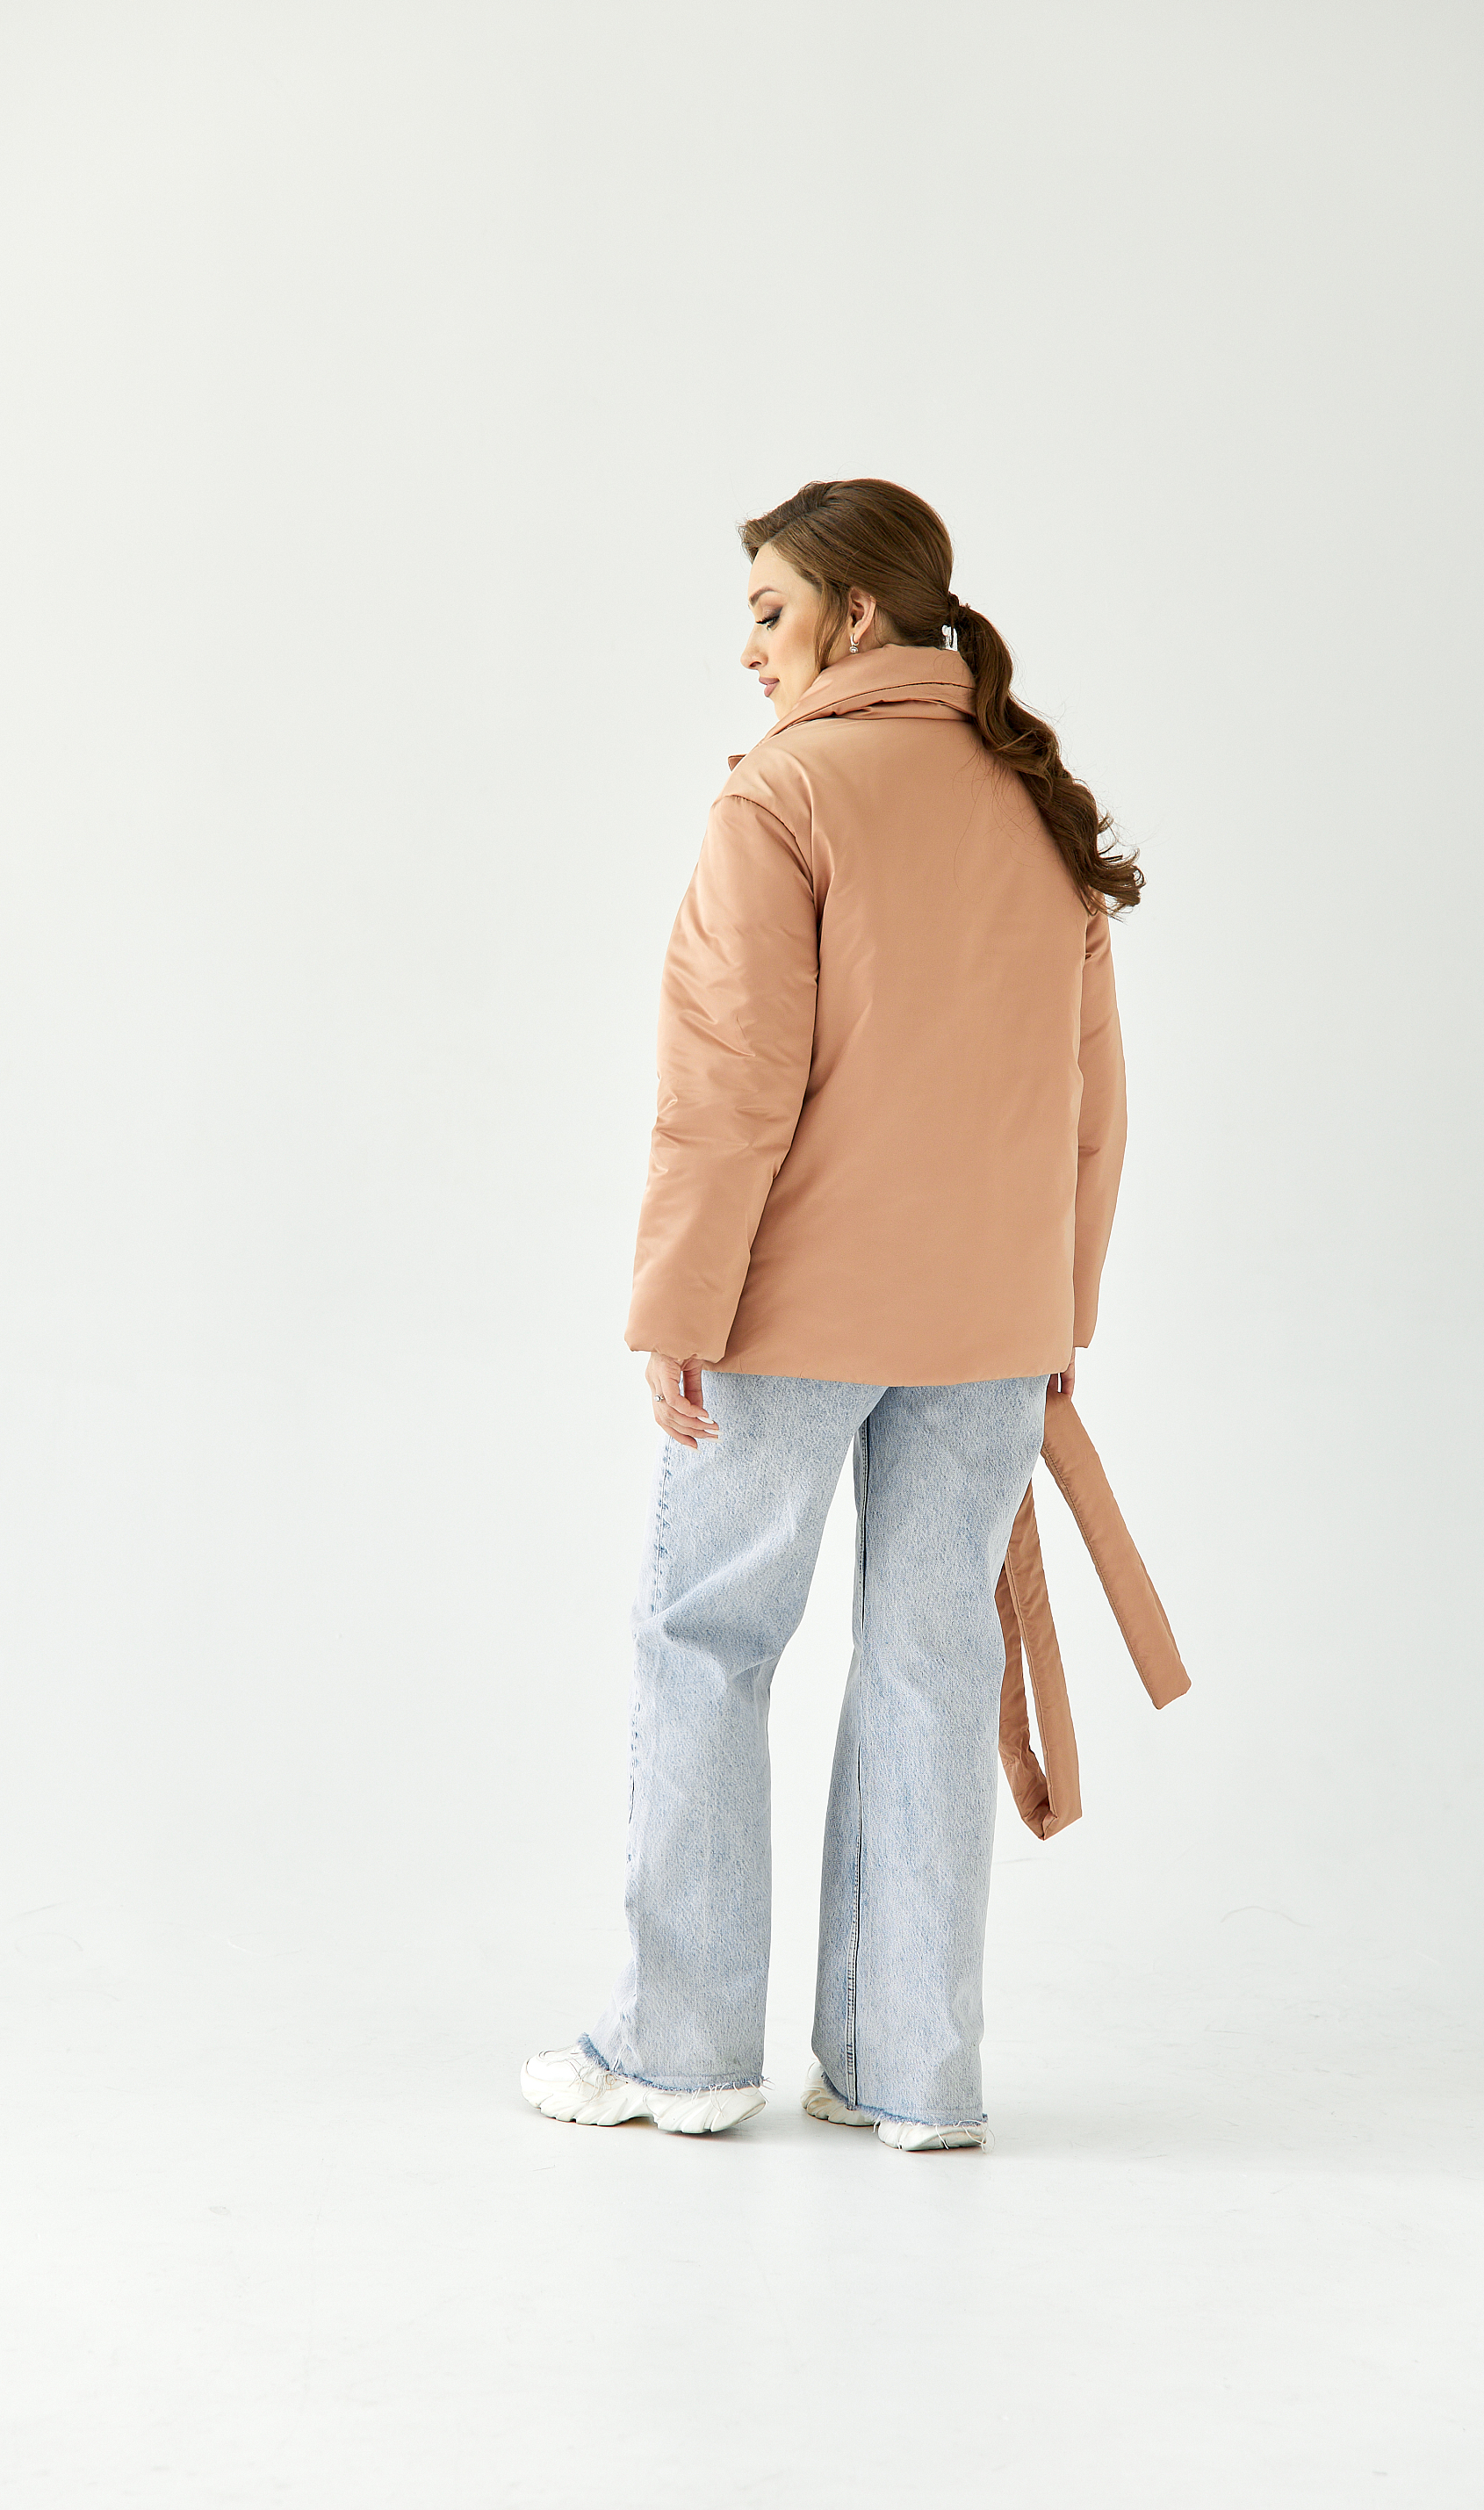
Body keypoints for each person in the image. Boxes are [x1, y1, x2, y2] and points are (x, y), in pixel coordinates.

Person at [522, 478, 1142, 2151]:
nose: (750, 650)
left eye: (771, 613)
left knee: (707, 1643)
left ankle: (679, 2055)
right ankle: (912, 2075)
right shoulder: (1035, 799)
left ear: (858, 613)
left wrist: (677, 1306)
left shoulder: (784, 794)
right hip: (993, 1329)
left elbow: (730, 1087)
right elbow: (1093, 1107)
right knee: (934, 1667)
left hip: (789, 1318)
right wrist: (1060, 1319)